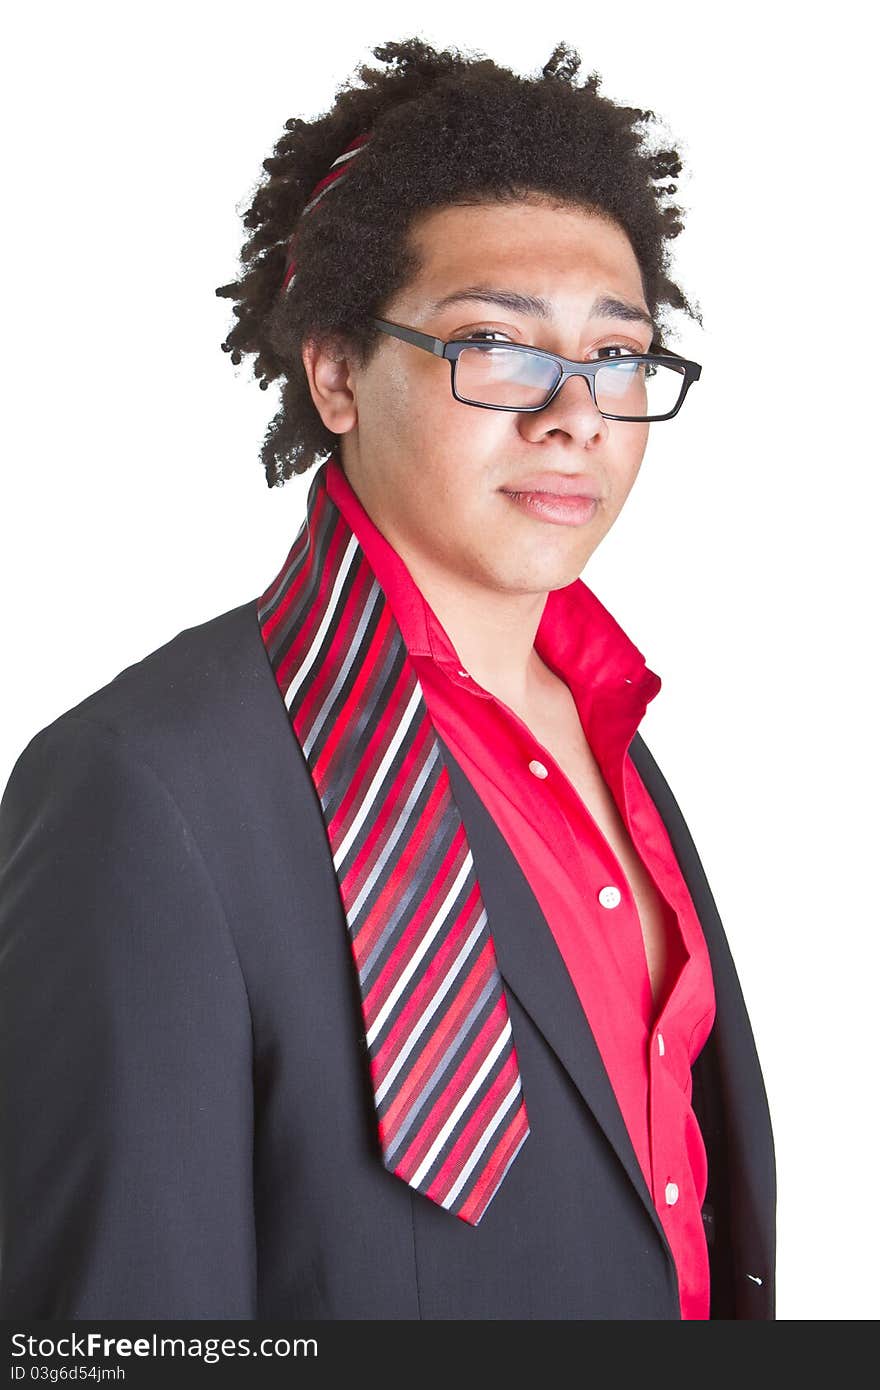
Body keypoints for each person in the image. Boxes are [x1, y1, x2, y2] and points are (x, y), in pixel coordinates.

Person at [0, 35, 775, 1320]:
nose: (575, 413)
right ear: (338, 373)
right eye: (496, 342)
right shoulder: (143, 791)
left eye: (619, 355)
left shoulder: (617, 738)